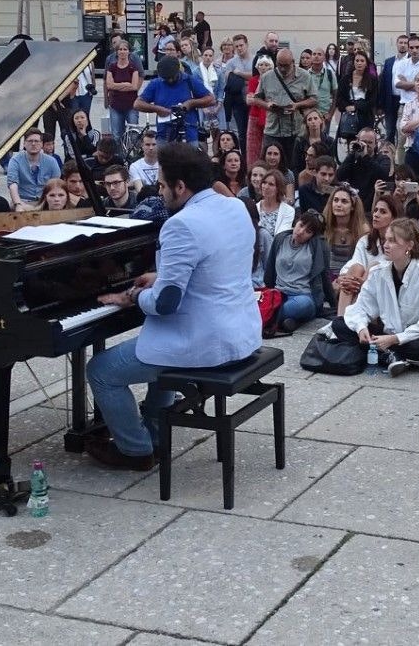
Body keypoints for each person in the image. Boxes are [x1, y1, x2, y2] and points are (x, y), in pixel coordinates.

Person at [86, 143, 260, 470]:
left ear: (181, 187)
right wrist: (163, 276)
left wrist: (133, 297)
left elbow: (165, 304)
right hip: (242, 333)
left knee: (100, 370)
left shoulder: (181, 225)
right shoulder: (235, 207)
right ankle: (153, 429)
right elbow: (213, 268)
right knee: (156, 344)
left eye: (163, 185)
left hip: (204, 343)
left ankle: (134, 450)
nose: (159, 190)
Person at [332, 218, 419, 377]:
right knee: (340, 324)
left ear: (409, 245)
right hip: (385, 334)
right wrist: (361, 328)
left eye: (392, 241)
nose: (386, 245)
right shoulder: (378, 272)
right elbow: (361, 307)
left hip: (412, 338)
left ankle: (385, 353)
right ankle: (391, 355)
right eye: (386, 240)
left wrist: (395, 339)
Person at [263, 211, 334, 333]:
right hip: (278, 293)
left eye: (308, 231)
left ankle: (267, 318)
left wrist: (334, 304)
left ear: (313, 236)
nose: (301, 232)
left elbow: (325, 276)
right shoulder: (280, 239)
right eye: (301, 225)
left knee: (303, 305)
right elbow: (269, 269)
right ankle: (288, 322)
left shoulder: (318, 247)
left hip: (302, 295)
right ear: (296, 222)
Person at [337, 192, 400, 314]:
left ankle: (344, 323)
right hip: (358, 288)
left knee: (373, 267)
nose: (376, 214)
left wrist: (365, 281)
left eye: (383, 212)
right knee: (355, 268)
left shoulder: (398, 243)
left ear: (394, 218)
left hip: (385, 294)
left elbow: (389, 274)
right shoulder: (365, 240)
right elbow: (354, 264)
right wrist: (346, 278)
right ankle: (341, 320)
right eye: (375, 210)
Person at [252, 48, 319, 162]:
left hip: (296, 130)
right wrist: (268, 105)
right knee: (271, 165)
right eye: (280, 65)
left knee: (294, 164)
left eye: (286, 65)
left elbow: (314, 99)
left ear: (293, 62)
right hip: (273, 130)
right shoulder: (267, 77)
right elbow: (256, 99)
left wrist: (297, 105)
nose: (282, 68)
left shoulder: (305, 76)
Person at [134, 56, 214, 145]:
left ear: (178, 71)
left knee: (191, 158)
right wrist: (157, 109)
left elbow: (210, 99)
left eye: (172, 77)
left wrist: (191, 103)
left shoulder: (189, 81)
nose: (170, 80)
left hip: (188, 134)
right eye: (167, 78)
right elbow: (137, 104)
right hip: (164, 134)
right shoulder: (156, 83)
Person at [336, 127, 392, 211]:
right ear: (358, 140)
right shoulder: (353, 158)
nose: (366, 145)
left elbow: (383, 174)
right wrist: (352, 154)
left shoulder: (383, 159)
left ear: (375, 144)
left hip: (372, 205)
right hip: (353, 205)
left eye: (370, 142)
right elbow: (340, 175)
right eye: (364, 142)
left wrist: (365, 156)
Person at [6, 129, 62, 210]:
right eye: (30, 141)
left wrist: (43, 205)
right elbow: (12, 185)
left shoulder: (51, 161)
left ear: (42, 144)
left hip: (45, 200)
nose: (33, 144)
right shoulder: (15, 160)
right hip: (23, 200)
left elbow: (56, 185)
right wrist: (18, 204)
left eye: (37, 141)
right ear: (24, 144)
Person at [105, 41, 141, 146]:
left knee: (133, 134)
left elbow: (134, 86)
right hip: (116, 105)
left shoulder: (133, 67)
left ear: (129, 52)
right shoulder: (112, 67)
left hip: (131, 105)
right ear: (116, 52)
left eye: (125, 49)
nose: (122, 51)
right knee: (116, 135)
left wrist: (117, 85)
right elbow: (109, 85)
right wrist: (125, 84)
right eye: (120, 49)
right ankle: (119, 158)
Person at [379, 34, 409, 145]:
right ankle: (390, 155)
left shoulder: (411, 61)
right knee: (390, 130)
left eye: (405, 43)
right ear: (396, 44)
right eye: (401, 42)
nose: (403, 45)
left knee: (402, 130)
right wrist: (380, 104)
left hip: (405, 100)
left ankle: (401, 158)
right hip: (390, 99)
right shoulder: (389, 62)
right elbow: (383, 82)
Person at [128, 129, 160, 194]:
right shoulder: (135, 167)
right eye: (147, 145)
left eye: (154, 144)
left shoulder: (165, 164)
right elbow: (140, 191)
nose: (151, 148)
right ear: (142, 146)